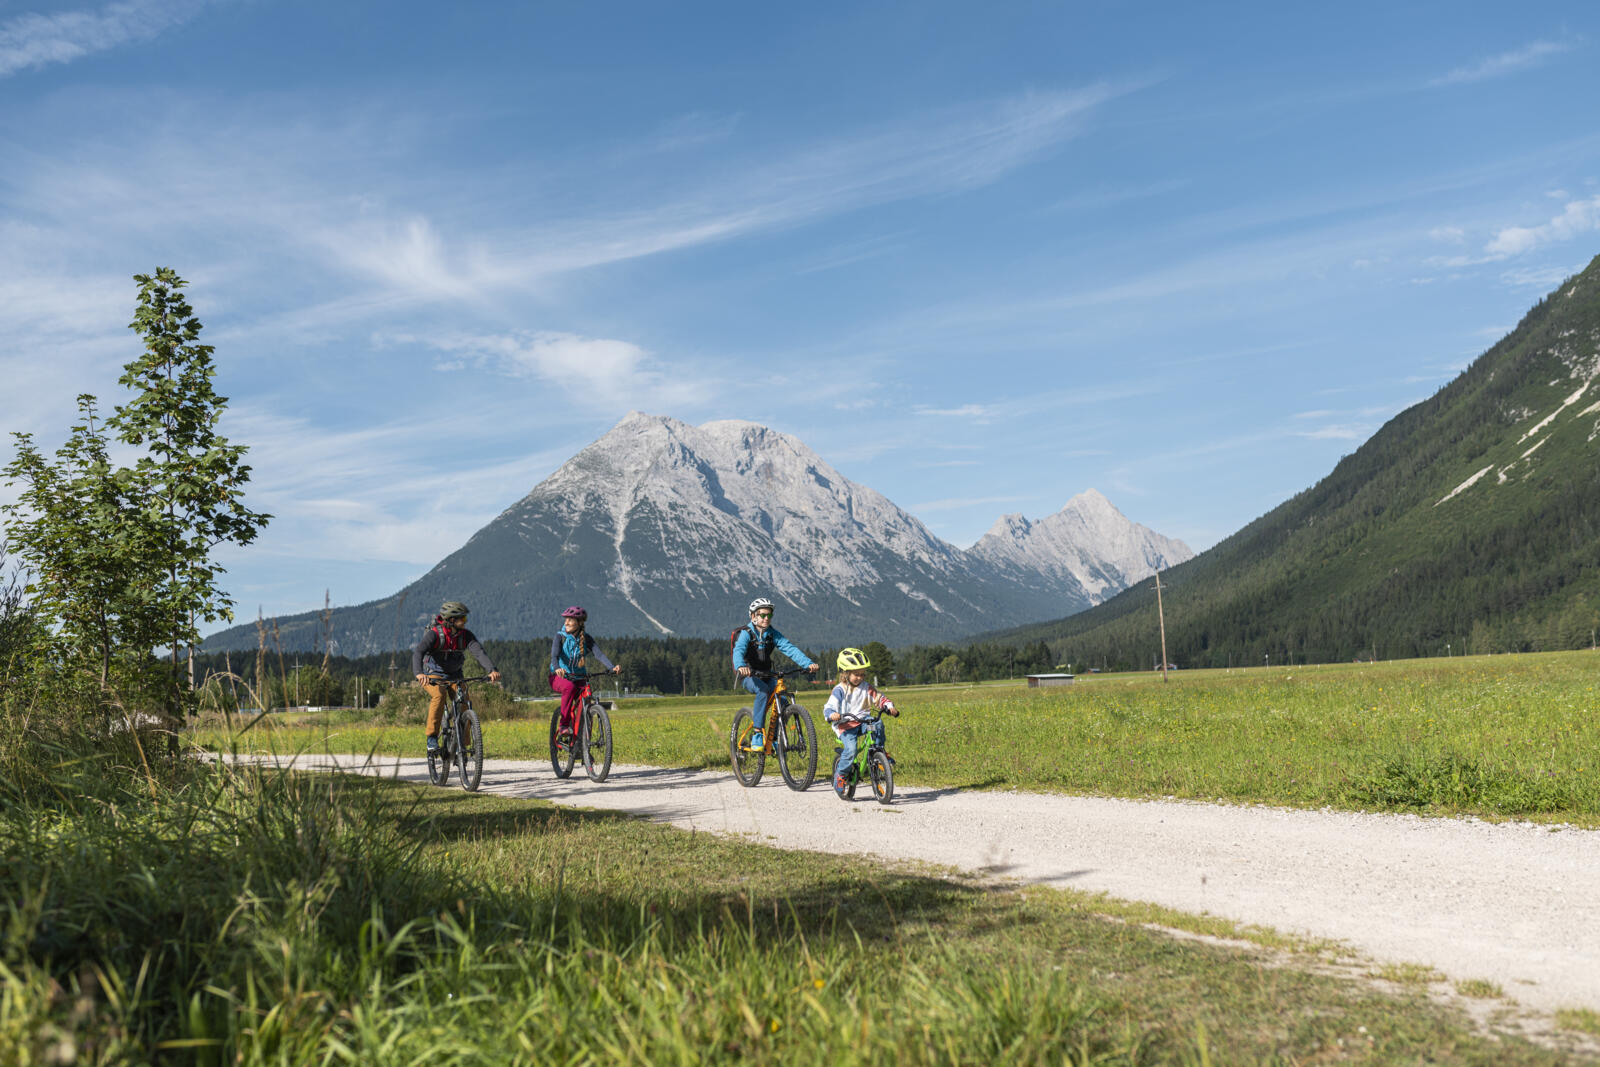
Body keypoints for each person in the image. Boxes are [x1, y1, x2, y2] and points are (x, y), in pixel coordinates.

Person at [412, 601, 501, 756]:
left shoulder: (465, 635)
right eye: (463, 619)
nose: (465, 621)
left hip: (455, 675)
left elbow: (479, 652)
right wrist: (419, 673)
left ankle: (463, 745)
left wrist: (491, 670)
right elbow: (418, 652)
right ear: (452, 620)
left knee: (464, 701)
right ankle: (432, 738)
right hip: (433, 675)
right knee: (439, 695)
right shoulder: (435, 634)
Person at [732, 596, 819, 749]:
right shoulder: (746, 633)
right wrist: (740, 666)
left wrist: (808, 664)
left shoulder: (772, 634)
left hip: (767, 674)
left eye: (769, 615)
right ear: (753, 616)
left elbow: (790, 649)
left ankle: (774, 738)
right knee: (763, 692)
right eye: (762, 615)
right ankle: (757, 733)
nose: (766, 618)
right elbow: (738, 650)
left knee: (783, 700)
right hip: (749, 675)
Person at [822, 646, 899, 798]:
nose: (860, 677)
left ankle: (879, 751)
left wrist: (889, 707)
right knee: (851, 750)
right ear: (845, 673)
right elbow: (829, 706)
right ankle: (840, 775)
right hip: (846, 725)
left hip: (863, 721)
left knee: (877, 723)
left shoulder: (866, 687)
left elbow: (879, 698)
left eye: (862, 674)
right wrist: (832, 714)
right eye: (856, 674)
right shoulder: (840, 690)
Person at [549, 606, 621, 739]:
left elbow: (599, 654)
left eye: (570, 620)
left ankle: (583, 742)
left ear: (580, 623)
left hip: (579, 677)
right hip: (559, 676)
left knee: (587, 698)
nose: (566, 622)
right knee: (569, 687)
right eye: (566, 619)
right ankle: (563, 725)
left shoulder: (586, 638)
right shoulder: (560, 637)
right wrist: (558, 668)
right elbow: (554, 656)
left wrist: (612, 667)